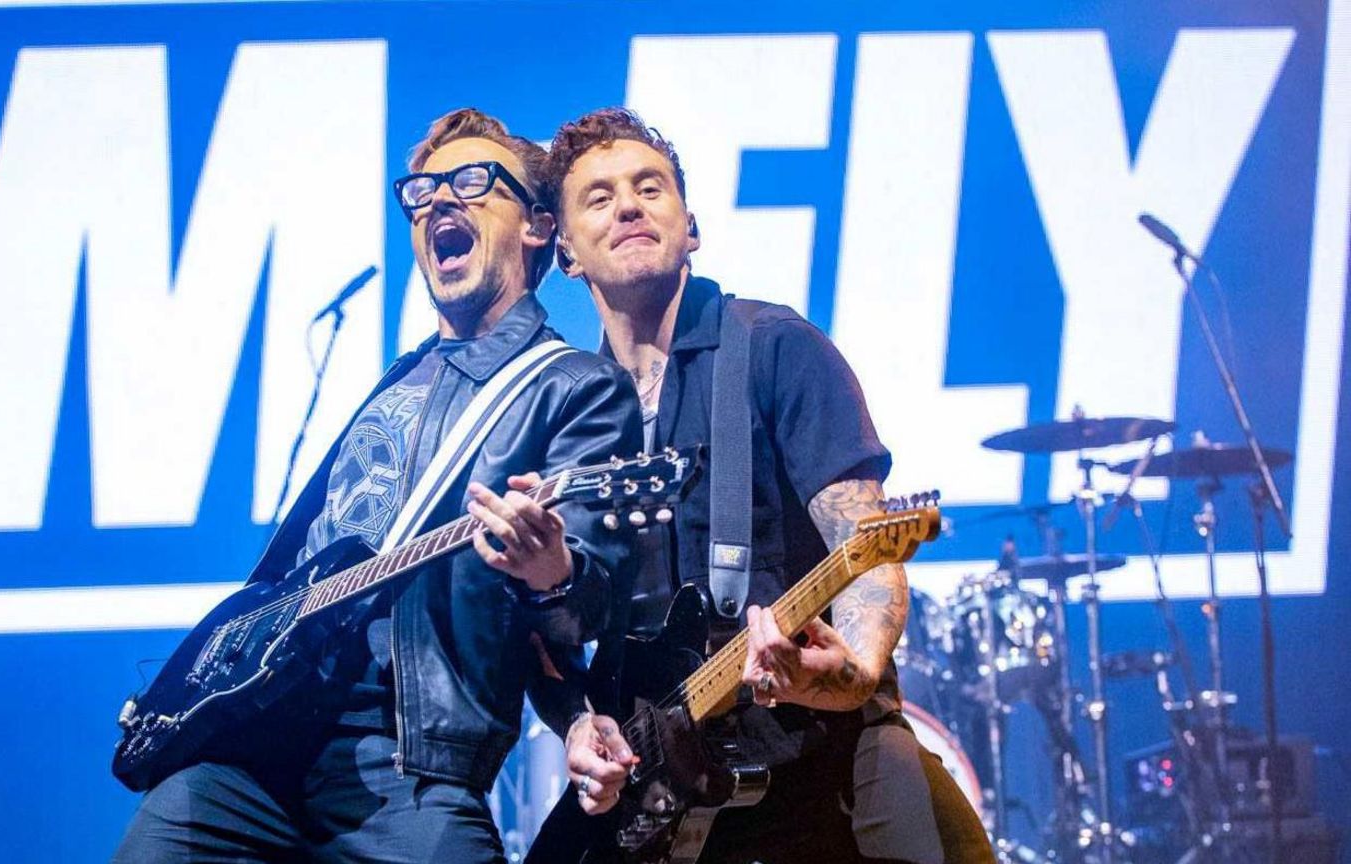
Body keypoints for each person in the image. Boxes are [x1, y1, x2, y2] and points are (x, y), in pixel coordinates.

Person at [112, 108, 643, 864]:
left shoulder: (572, 387)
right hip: (259, 749)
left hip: (408, 766)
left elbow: (589, 603)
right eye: (423, 191)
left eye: (470, 182)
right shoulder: (396, 379)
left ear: (535, 228)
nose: (438, 203)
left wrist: (551, 571)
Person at [527, 107, 995, 864]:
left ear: (692, 229)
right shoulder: (571, 415)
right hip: (665, 793)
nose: (630, 205)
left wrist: (848, 671)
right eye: (600, 197)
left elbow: (867, 554)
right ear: (568, 255)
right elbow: (549, 636)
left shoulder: (775, 347)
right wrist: (578, 725)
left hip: (823, 768)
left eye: (651, 188)